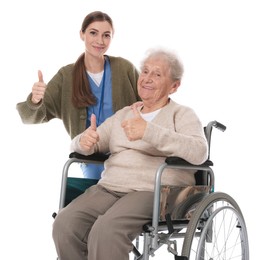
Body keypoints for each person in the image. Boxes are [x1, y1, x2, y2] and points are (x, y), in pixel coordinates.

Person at [52, 47, 208, 260]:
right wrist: (84, 142)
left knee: (106, 231)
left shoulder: (181, 114)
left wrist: (148, 131)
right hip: (110, 188)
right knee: (65, 224)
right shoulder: (124, 114)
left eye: (157, 74)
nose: (147, 78)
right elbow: (89, 141)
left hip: (153, 191)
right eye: (145, 71)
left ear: (174, 86)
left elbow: (199, 152)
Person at [16, 11, 140, 179]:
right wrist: (35, 100)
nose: (100, 41)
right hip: (90, 156)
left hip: (126, 155)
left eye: (106, 35)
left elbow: (149, 106)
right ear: (82, 34)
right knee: (95, 195)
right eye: (93, 33)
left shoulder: (124, 68)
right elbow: (29, 118)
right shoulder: (66, 76)